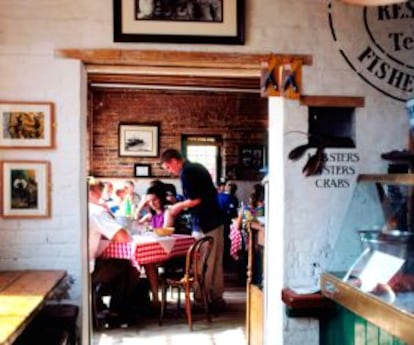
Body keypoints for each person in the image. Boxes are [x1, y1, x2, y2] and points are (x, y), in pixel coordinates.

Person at [160, 148, 226, 311]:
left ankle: (200, 299)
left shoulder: (187, 172)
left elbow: (196, 199)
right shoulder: (197, 167)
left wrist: (178, 206)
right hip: (215, 219)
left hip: (204, 222)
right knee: (215, 262)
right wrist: (181, 202)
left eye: (168, 167)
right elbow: (203, 194)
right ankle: (217, 299)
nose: (170, 172)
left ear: (175, 161)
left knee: (202, 263)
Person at [88, 179, 142, 326]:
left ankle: (98, 303)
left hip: (70, 265)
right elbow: (123, 237)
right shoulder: (96, 211)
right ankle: (115, 313)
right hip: (87, 269)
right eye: (100, 193)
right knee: (125, 266)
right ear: (92, 193)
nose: (102, 197)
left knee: (112, 264)